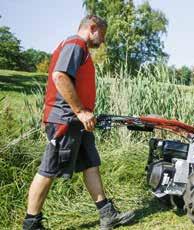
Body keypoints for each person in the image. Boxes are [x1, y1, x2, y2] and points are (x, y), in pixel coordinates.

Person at [22, 15, 135, 230]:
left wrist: (84, 114)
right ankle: (31, 224)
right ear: (92, 28)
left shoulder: (78, 47)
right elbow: (60, 77)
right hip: (65, 120)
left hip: (78, 122)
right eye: (102, 34)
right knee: (49, 169)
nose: (102, 41)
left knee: (90, 163)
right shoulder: (75, 45)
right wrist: (81, 111)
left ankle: (106, 213)